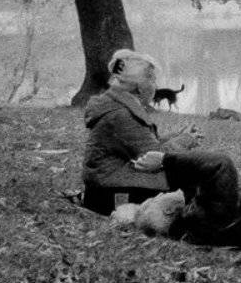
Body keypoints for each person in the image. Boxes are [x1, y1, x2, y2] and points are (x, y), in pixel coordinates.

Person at [80, 49, 202, 215]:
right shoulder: (121, 114)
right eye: (152, 79)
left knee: (190, 179)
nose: (155, 86)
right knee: (196, 182)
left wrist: (177, 135)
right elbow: (153, 157)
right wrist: (185, 140)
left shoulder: (117, 106)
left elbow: (143, 144)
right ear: (139, 86)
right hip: (112, 193)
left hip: (108, 184)